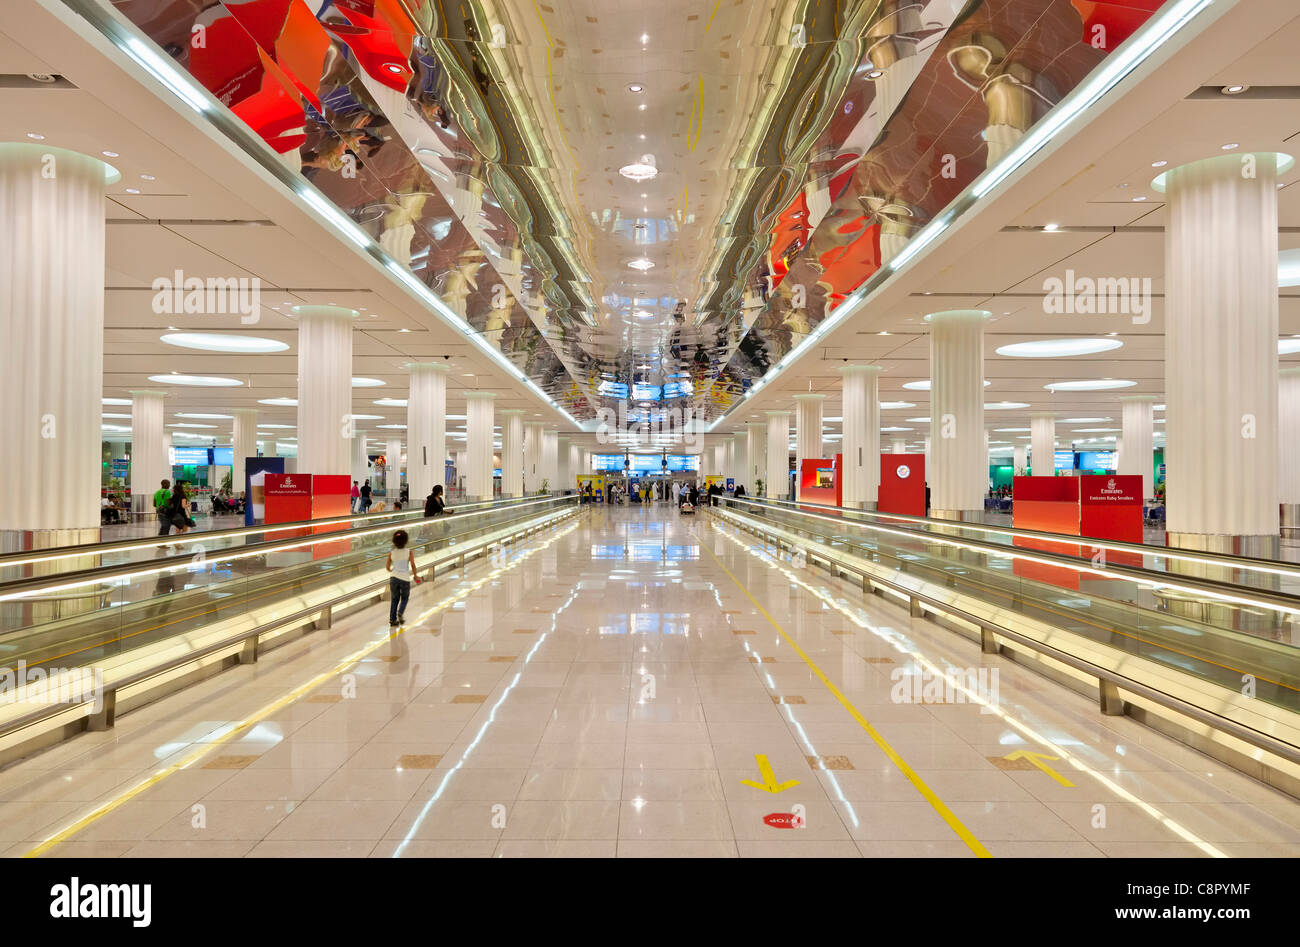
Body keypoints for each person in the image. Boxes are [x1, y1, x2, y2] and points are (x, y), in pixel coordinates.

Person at [385, 528, 421, 626]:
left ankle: (392, 620)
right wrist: (415, 575)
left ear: (394, 541)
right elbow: (413, 565)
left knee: (394, 599)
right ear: (406, 541)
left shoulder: (391, 553)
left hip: (393, 578)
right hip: (405, 579)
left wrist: (392, 571)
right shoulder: (409, 552)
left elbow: (387, 567)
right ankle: (400, 612)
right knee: (404, 598)